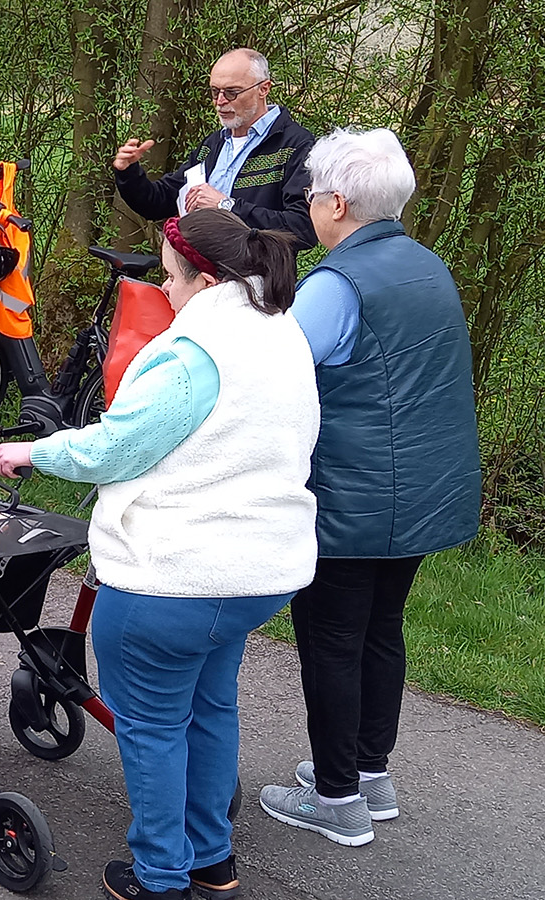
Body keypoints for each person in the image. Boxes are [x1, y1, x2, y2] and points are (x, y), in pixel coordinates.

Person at [0, 208, 320, 900]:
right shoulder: (281, 331)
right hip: (256, 574)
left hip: (174, 577)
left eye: (169, 278)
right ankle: (211, 862)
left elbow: (117, 447)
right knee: (209, 709)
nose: (163, 292)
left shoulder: (194, 354)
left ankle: (160, 877)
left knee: (154, 729)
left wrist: (31, 452)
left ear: (204, 278)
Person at [259, 128, 481, 847]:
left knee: (330, 640)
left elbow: (276, 373)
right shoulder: (426, 264)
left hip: (355, 498)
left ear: (339, 203)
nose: (308, 208)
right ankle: (368, 775)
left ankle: (335, 798)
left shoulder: (336, 285)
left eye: (312, 196)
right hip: (425, 490)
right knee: (381, 629)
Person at [113, 48, 317, 248]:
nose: (220, 102)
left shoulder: (296, 145)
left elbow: (303, 228)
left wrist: (227, 206)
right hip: (199, 275)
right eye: (214, 92)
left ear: (263, 89)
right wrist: (129, 172)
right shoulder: (212, 146)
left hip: (256, 277)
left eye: (232, 92)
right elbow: (158, 202)